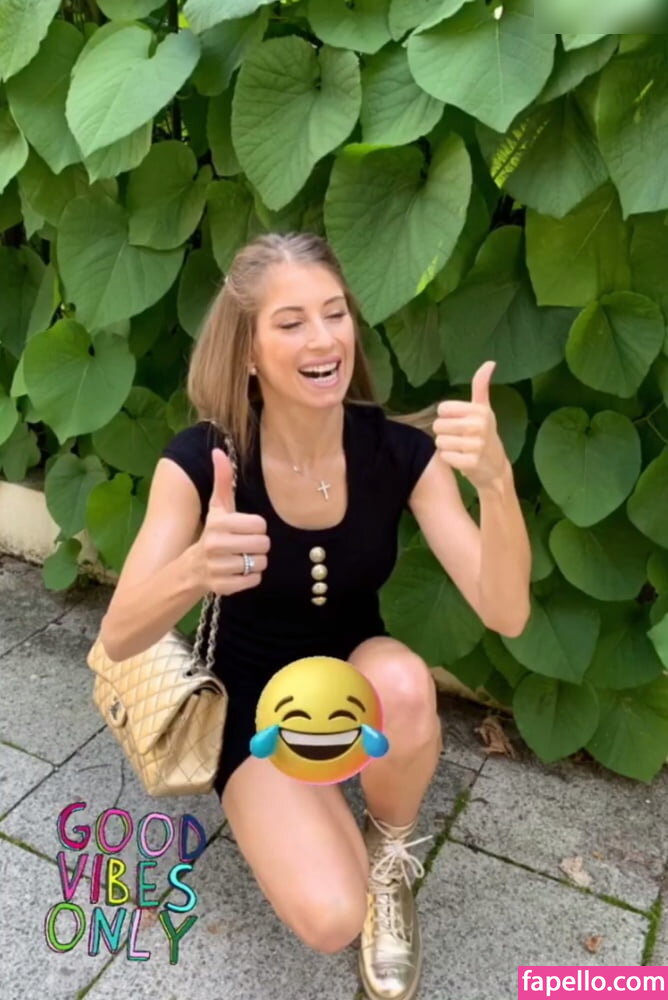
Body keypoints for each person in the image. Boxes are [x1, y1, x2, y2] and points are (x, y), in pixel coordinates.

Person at [100, 231, 531, 1000]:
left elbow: (507, 612)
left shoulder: (397, 453)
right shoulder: (201, 460)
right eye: (292, 322)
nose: (324, 338)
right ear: (249, 352)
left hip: (357, 675)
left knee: (405, 683)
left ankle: (389, 851)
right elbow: (119, 635)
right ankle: (310, 794)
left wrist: (497, 486)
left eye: (335, 313)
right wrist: (196, 568)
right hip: (250, 709)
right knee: (333, 918)